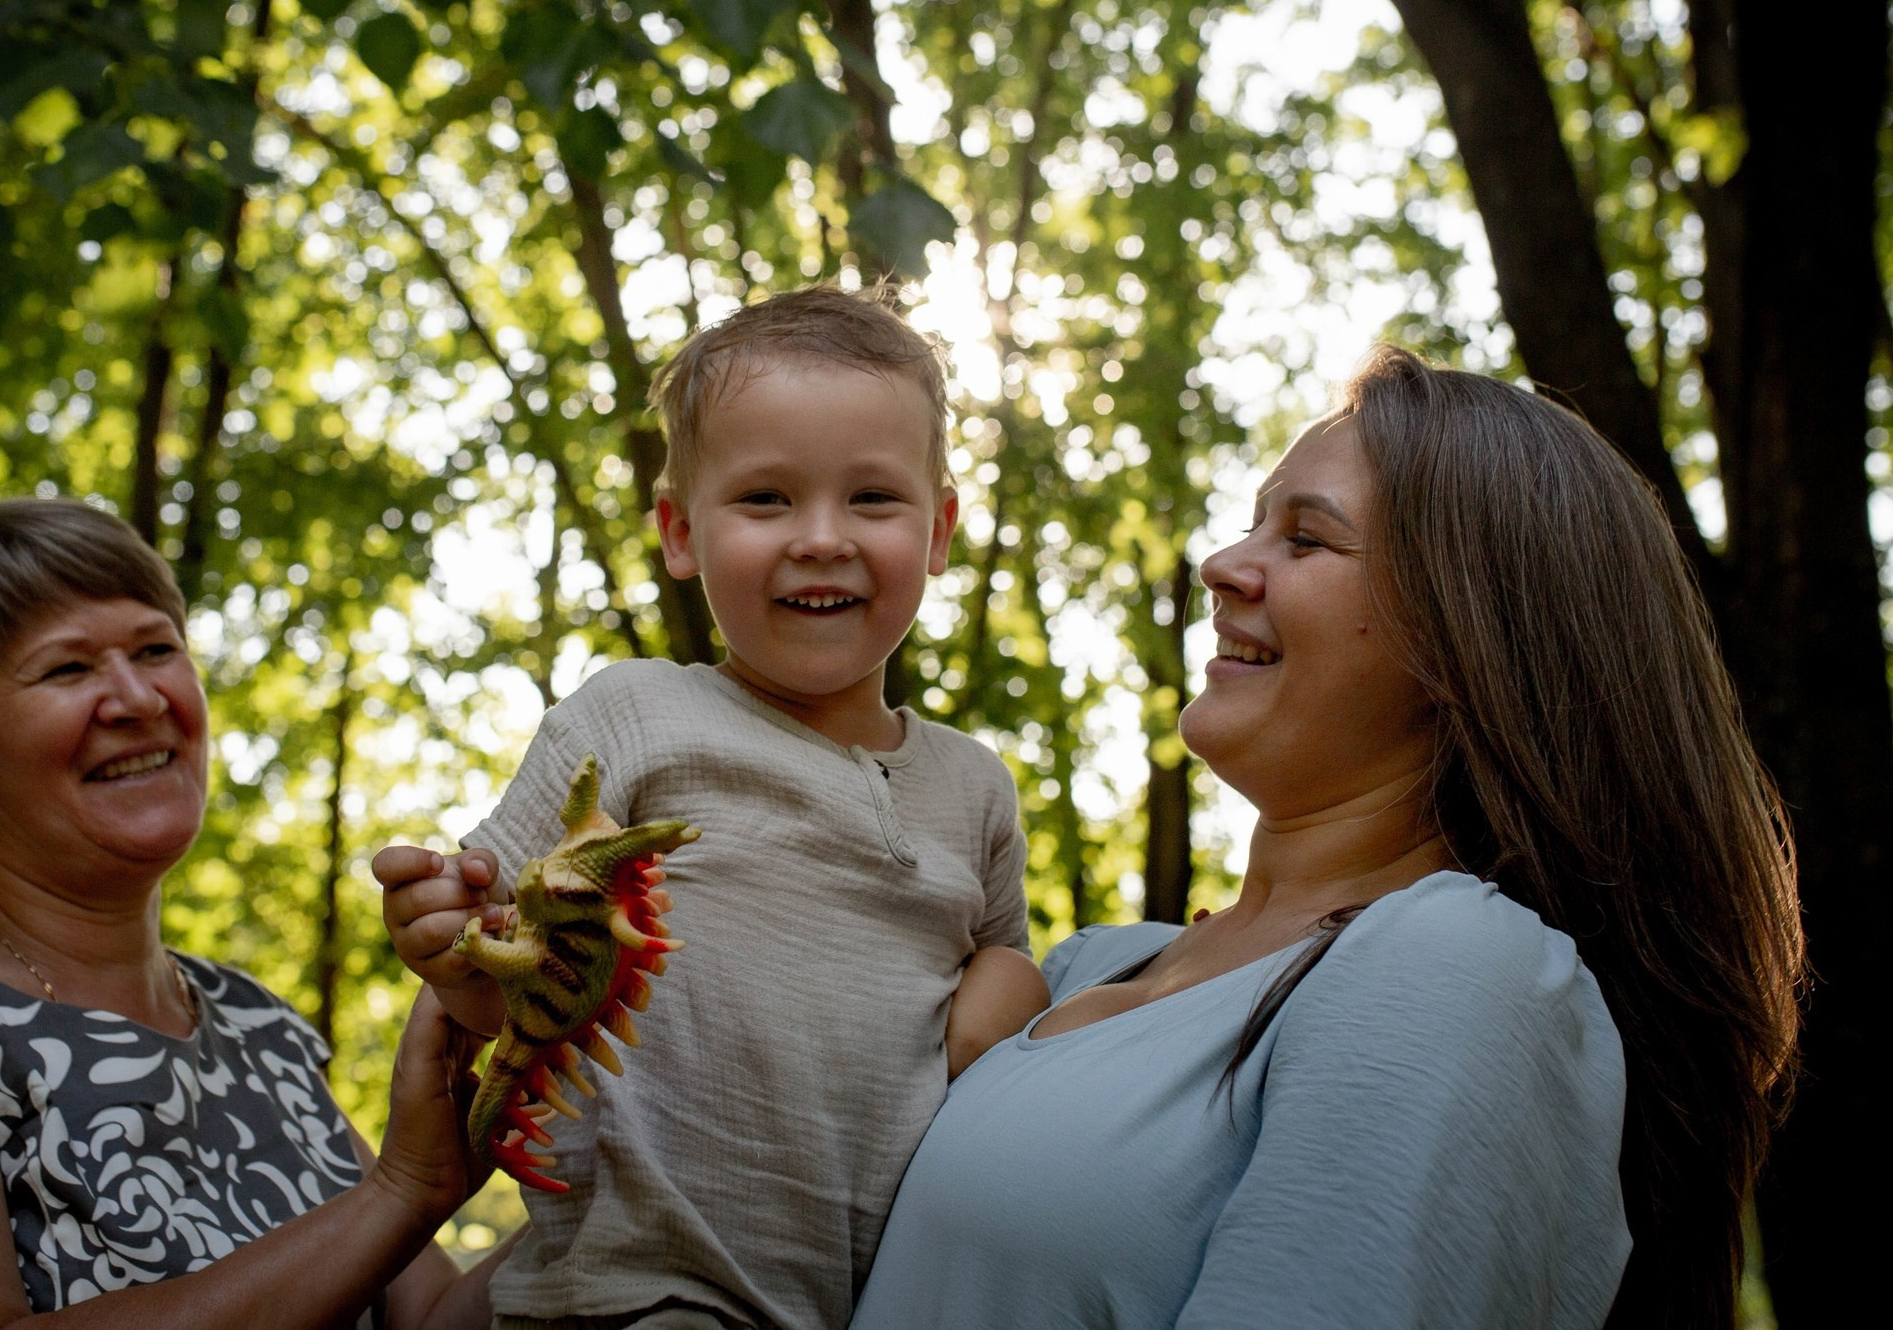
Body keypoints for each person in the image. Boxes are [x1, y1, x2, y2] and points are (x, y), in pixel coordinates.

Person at [850, 347, 1805, 1330]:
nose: (1221, 566)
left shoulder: (1456, 966)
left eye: (1306, 540)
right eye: (1252, 523)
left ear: (1461, 637)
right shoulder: (1092, 963)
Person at [375, 286, 1048, 1330]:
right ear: (681, 533)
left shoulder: (973, 787)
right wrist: (447, 941)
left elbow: (998, 974)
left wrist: (1010, 987)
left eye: (872, 499)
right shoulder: (636, 718)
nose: (820, 538)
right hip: (642, 1285)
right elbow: (510, 979)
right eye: (767, 500)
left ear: (940, 531)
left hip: (882, 1293)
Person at [0, 497, 499, 1330]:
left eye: (157, 648)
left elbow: (435, 1318)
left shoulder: (259, 1025)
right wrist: (398, 1193)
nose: (138, 697)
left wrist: (610, 1070)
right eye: (68, 669)